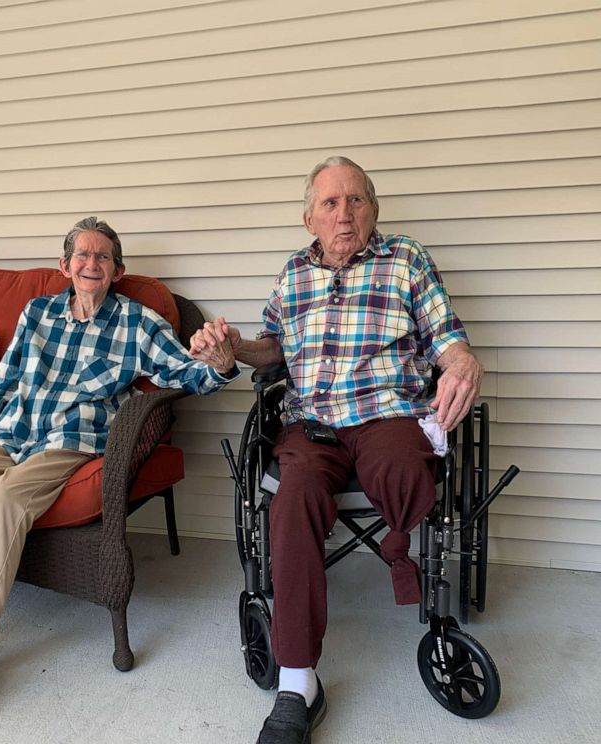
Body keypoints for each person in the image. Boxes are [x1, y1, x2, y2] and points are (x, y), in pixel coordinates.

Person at [0, 216, 238, 744]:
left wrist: (222, 364)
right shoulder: (38, 313)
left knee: (3, 501)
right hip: (9, 433)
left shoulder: (137, 324)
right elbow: (1, 385)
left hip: (71, 439)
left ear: (118, 271)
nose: (91, 263)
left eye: (103, 257)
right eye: (82, 255)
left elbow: (187, 373)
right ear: (65, 265)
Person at [189, 157, 483, 744]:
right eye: (330, 203)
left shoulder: (406, 259)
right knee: (292, 499)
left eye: (356, 200)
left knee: (406, 466)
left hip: (386, 411)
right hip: (312, 423)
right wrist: (230, 350)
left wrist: (463, 364)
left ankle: (401, 550)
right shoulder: (293, 274)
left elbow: (448, 338)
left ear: (374, 210)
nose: (344, 213)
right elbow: (272, 351)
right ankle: (298, 683)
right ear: (309, 219)